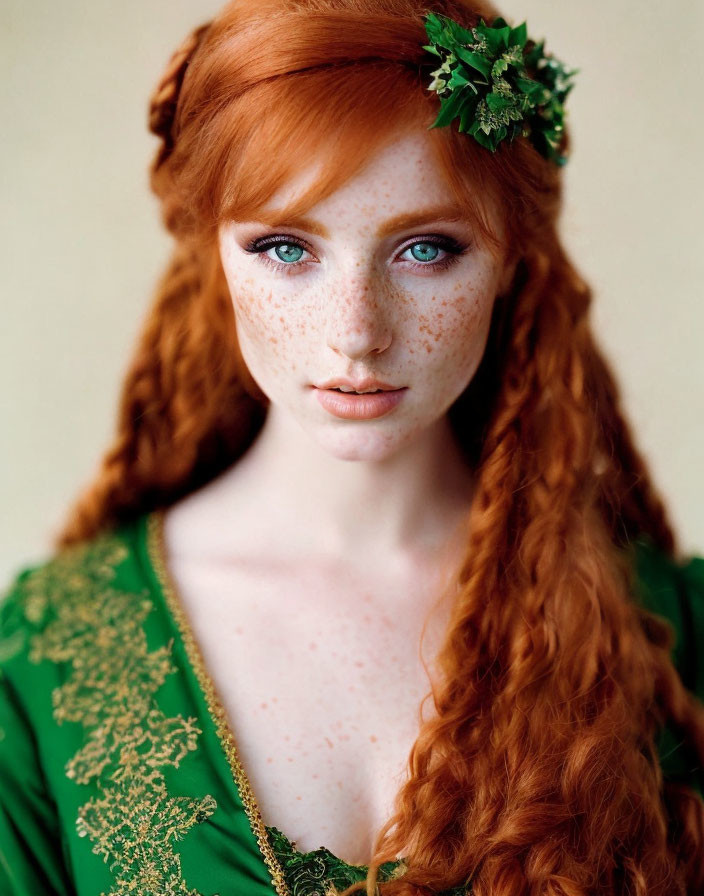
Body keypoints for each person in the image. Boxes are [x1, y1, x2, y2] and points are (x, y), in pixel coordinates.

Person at [1, 0, 702, 893]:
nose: (357, 334)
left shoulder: (676, 635)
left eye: (426, 248)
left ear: (512, 256)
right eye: (286, 247)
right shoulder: (44, 659)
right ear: (214, 254)